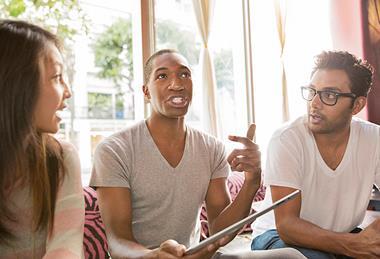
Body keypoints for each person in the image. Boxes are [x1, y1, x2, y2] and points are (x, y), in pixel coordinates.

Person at [90, 49, 263, 259]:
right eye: (162, 76)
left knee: (289, 255)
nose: (177, 84)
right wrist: (154, 256)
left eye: (184, 74)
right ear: (146, 92)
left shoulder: (212, 149)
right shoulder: (114, 150)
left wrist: (252, 182)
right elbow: (118, 242)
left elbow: (220, 230)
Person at [251, 50, 380, 258]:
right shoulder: (287, 139)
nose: (314, 103)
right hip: (277, 236)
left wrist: (368, 238)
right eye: (312, 91)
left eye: (329, 95)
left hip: (343, 235)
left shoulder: (374, 139)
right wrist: (352, 245)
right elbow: (287, 225)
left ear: (357, 105)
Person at [0, 20, 84, 258]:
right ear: (17, 84)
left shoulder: (60, 158)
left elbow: (67, 246)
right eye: (57, 77)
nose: (67, 91)